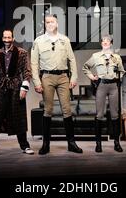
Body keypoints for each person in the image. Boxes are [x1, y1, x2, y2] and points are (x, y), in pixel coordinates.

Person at [31, 14, 83, 155]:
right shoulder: (39, 41)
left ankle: (71, 143)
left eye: (52, 21)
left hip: (63, 77)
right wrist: (36, 81)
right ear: (45, 24)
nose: (50, 24)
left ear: (57, 23)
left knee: (67, 110)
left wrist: (74, 77)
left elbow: (72, 59)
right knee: (48, 110)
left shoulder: (64, 40)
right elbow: (34, 63)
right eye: (47, 22)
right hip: (46, 77)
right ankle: (45, 145)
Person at [0, 30, 34, 156]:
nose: (7, 39)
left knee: (19, 118)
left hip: (16, 89)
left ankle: (25, 146)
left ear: (13, 38)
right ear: (2, 38)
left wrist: (24, 87)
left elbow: (27, 71)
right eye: (5, 37)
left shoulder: (22, 53)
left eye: (9, 37)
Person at [83, 35, 126, 153]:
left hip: (113, 87)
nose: (105, 42)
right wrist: (92, 77)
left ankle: (117, 143)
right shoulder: (96, 56)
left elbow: (122, 71)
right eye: (103, 41)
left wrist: (118, 78)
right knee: (100, 114)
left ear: (111, 43)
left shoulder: (116, 57)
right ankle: (98, 144)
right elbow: (85, 67)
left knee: (115, 115)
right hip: (101, 85)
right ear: (101, 43)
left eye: (107, 41)